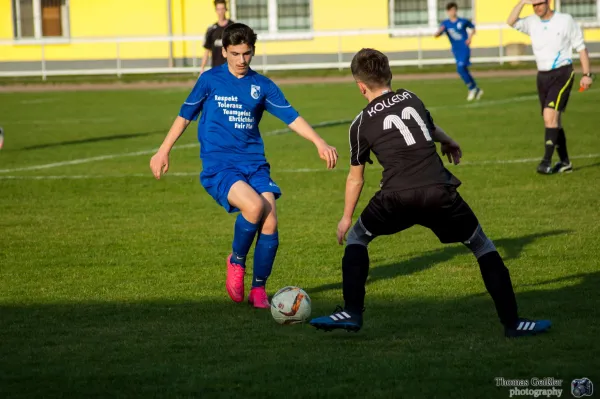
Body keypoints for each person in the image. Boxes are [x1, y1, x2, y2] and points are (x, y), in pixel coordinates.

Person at [309, 48, 551, 338]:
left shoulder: (360, 124)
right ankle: (513, 323)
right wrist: (449, 142)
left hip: (396, 197)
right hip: (439, 191)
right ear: (390, 75)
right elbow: (429, 126)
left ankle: (352, 311)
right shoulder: (411, 97)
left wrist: (346, 218)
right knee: (482, 246)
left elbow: (355, 178)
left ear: (360, 86)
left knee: (358, 237)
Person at [150, 23, 338, 309]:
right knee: (254, 207)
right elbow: (185, 115)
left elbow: (291, 117)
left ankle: (259, 290)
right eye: (235, 53)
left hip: (254, 163)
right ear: (223, 51)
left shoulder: (262, 86)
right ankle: (236, 262)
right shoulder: (209, 80)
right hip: (220, 165)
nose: (241, 60)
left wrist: (319, 142)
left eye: (247, 53)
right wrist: (163, 150)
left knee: (271, 219)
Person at [507, 0, 594, 174]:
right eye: (534, 4)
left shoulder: (565, 20)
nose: (537, 7)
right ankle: (565, 162)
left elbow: (581, 48)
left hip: (562, 73)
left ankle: (546, 162)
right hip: (543, 76)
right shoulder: (532, 22)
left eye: (539, 3)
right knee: (554, 121)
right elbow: (510, 21)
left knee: (549, 117)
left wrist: (586, 74)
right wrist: (522, 2)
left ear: (548, 2)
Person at [435, 2, 483, 101]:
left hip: (464, 48)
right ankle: (476, 89)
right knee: (463, 69)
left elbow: (473, 28)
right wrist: (440, 31)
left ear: (456, 10)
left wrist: (470, 38)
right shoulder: (445, 24)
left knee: (460, 68)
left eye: (454, 10)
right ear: (447, 12)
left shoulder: (462, 21)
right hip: (455, 50)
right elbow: (436, 35)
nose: (452, 12)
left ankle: (472, 89)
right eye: (450, 10)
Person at [200, 0, 234, 74]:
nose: (220, 12)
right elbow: (206, 50)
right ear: (216, 10)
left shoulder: (233, 27)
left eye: (222, 9)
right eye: (218, 9)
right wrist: (202, 69)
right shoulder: (211, 29)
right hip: (216, 69)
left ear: (226, 9)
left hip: (231, 69)